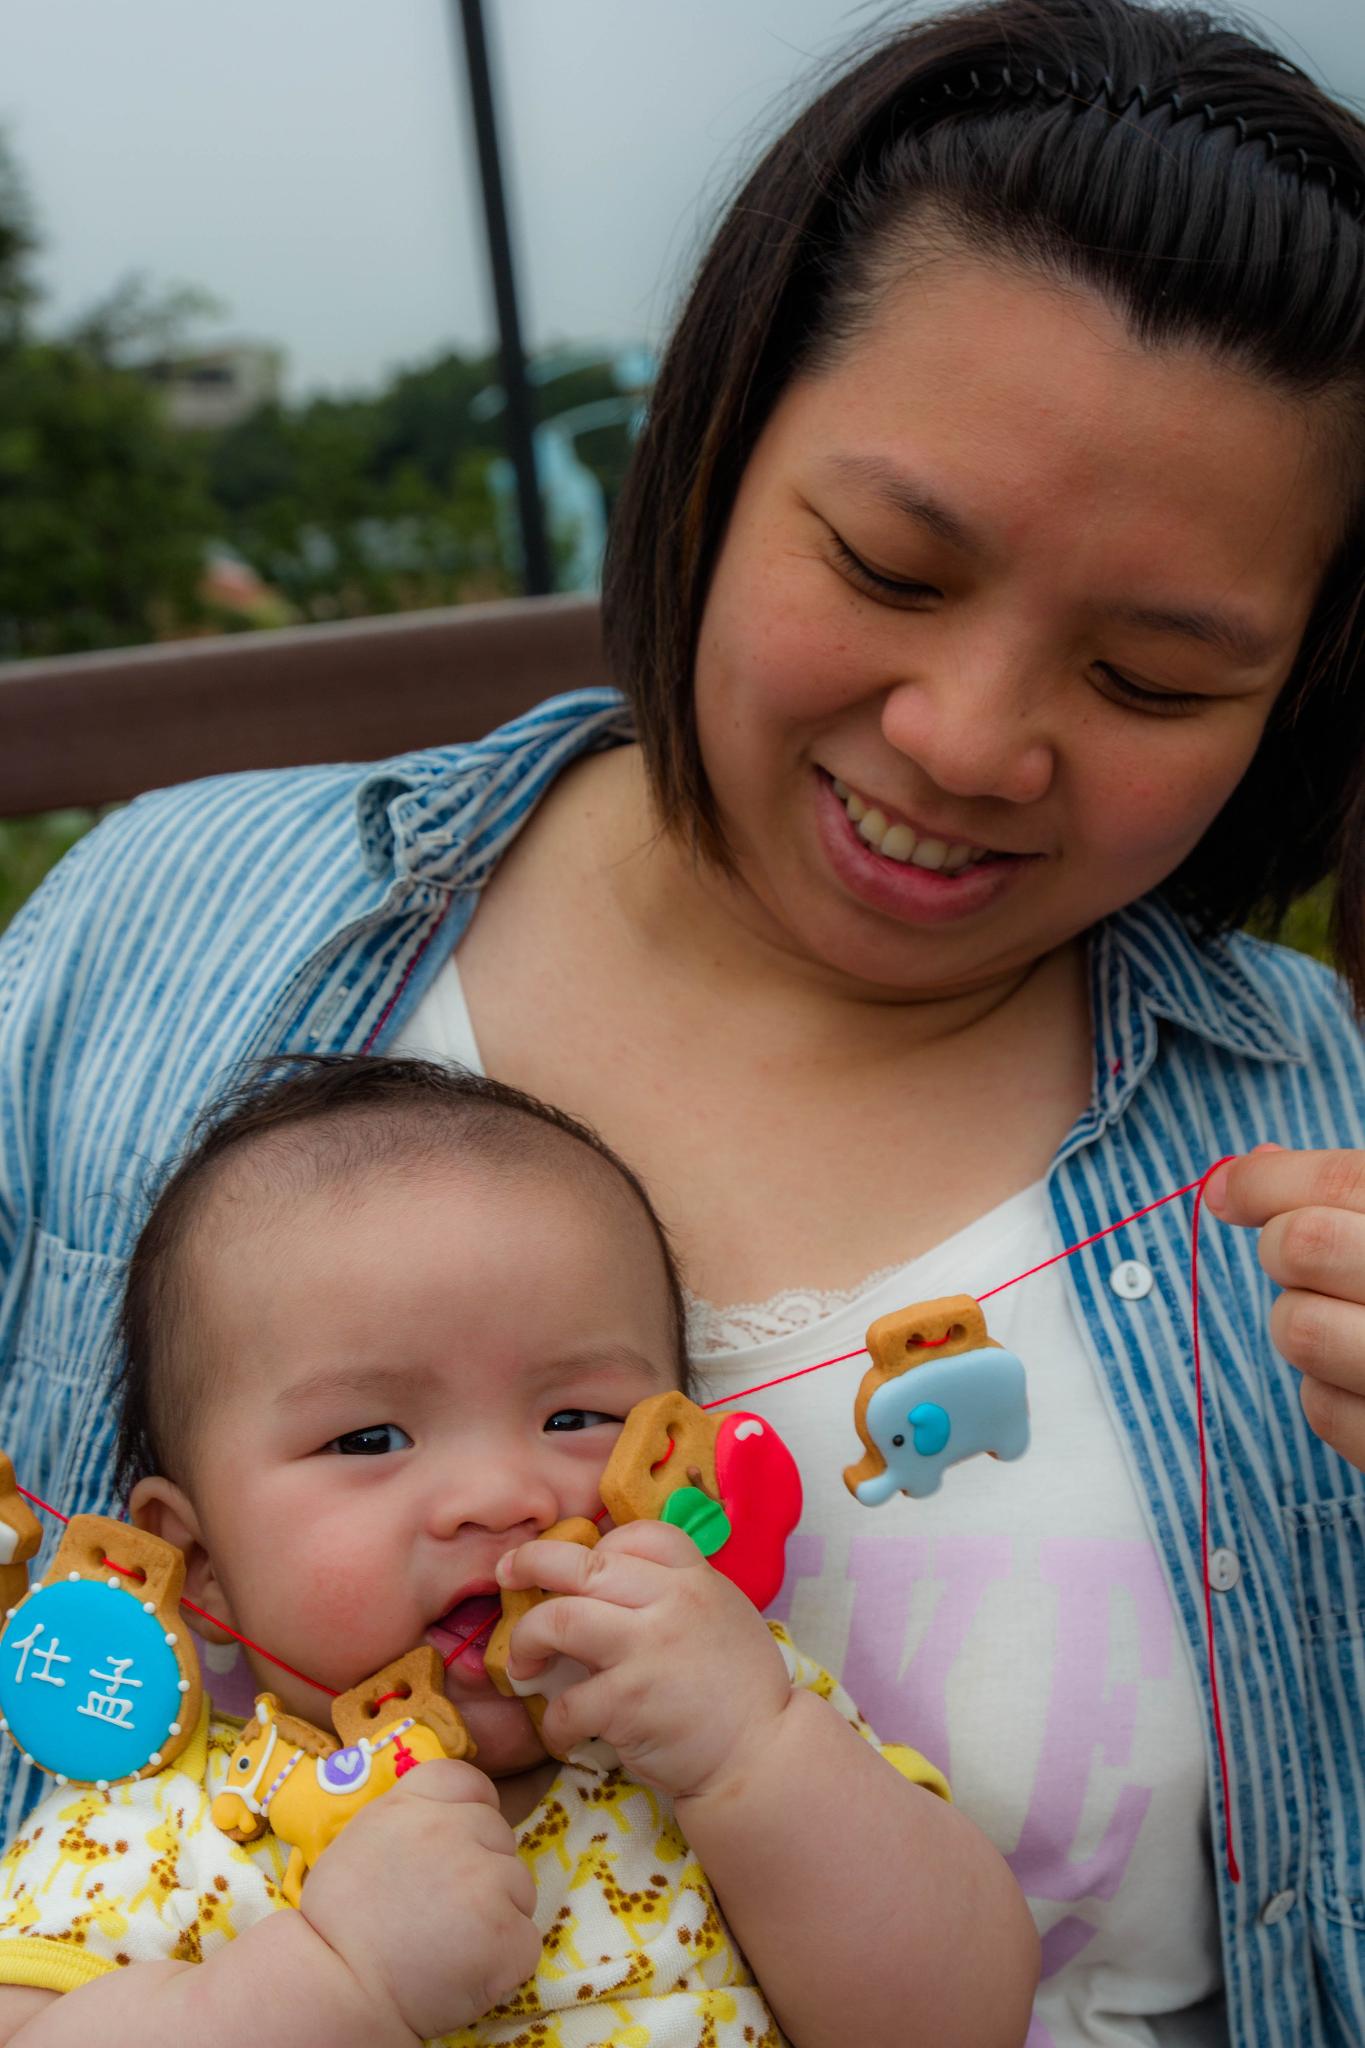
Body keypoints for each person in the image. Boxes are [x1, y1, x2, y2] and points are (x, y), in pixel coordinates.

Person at [2, 0, 1365, 2038]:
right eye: (889, 567)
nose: (968, 740)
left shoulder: (1315, 1118)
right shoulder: (165, 930)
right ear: (713, 448)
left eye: (1151, 681)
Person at [0, 1055, 1036, 2048]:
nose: (501, 1496)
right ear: (200, 1560)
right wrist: (337, 1980)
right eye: (370, 1438)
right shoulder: (156, 1828)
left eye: (576, 1417)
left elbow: (961, 2022)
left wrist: (748, 1756)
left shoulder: (741, 1715)